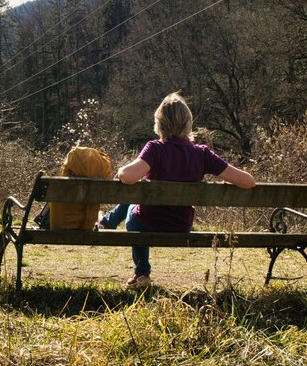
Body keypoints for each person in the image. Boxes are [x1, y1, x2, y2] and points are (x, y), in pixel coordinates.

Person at [98, 93, 255, 289]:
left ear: (159, 123)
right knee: (135, 201)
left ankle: (141, 271)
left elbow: (128, 176)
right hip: (181, 226)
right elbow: (248, 182)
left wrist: (121, 170)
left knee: (133, 204)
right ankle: (107, 222)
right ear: (188, 123)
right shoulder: (203, 154)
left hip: (147, 223)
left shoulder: (155, 149)